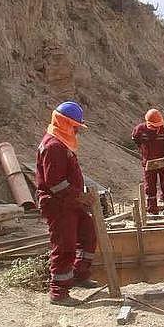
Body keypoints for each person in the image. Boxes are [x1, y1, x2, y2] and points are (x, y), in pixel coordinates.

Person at [35, 101, 98, 305]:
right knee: (65, 245)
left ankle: (80, 274)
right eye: (75, 126)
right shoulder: (53, 146)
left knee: (88, 234)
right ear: (65, 123)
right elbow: (56, 184)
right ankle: (59, 292)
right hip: (58, 204)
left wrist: (80, 197)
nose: (78, 130)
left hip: (70, 203)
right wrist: (81, 197)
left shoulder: (62, 142)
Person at [132, 109, 164, 216]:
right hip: (149, 163)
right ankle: (152, 209)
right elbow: (135, 140)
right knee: (150, 186)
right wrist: (143, 151)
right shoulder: (140, 130)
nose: (157, 128)